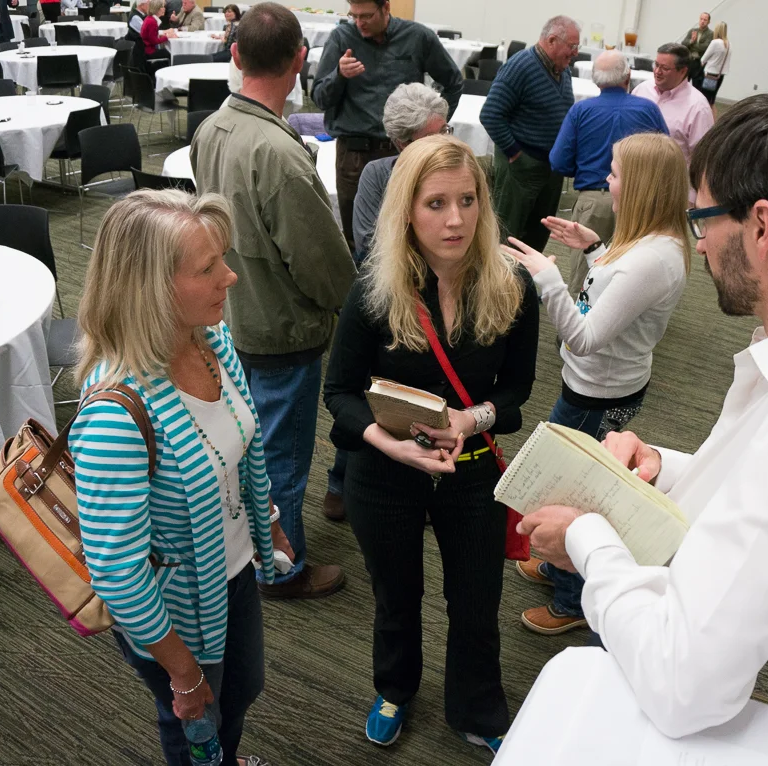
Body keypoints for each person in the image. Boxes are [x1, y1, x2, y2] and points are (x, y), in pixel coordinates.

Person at [521, 93, 768, 738]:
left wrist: (588, 539)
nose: (698, 247)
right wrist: (667, 470)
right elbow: (761, 505)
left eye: (702, 219)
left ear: (762, 226)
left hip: (659, 681)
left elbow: (684, 687)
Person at [323, 135, 539, 756]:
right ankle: (395, 688)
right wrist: (389, 446)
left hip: (470, 471)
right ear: (406, 211)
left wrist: (475, 420)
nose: (456, 220)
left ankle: (476, 706)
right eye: (436, 203)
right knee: (397, 598)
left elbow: (518, 388)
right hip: (384, 472)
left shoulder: (512, 286)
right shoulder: (374, 287)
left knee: (477, 602)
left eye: (468, 200)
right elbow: (338, 391)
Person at [69, 189, 294, 766]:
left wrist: (266, 521)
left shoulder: (210, 340)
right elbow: (117, 574)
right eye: (208, 267)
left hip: (232, 570)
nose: (231, 276)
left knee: (241, 691)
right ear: (152, 289)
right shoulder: (115, 416)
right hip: (176, 610)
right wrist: (183, 671)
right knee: (195, 720)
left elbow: (241, 448)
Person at [192, 2, 356, 600]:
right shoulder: (282, 156)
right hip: (283, 329)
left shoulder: (212, 128)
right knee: (280, 458)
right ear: (301, 58)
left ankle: (246, 544)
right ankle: (281, 570)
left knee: (241, 444)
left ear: (235, 56)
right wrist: (354, 305)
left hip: (231, 317)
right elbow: (322, 267)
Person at [505, 131, 691, 636]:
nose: (605, 180)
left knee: (574, 491)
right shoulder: (646, 246)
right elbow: (610, 299)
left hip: (598, 392)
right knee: (570, 479)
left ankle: (573, 602)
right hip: (600, 383)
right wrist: (595, 249)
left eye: (614, 174)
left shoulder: (650, 259)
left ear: (641, 188)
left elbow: (585, 335)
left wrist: (546, 277)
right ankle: (557, 569)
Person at [323, 81, 453, 522]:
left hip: (447, 300)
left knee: (437, 394)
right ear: (401, 143)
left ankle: (429, 477)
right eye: (433, 137)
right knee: (371, 396)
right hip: (393, 306)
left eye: (447, 130)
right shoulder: (379, 175)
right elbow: (366, 246)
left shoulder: (456, 169)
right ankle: (342, 478)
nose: (444, 143)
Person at [311, 0, 463, 252]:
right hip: (355, 155)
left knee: (412, 229)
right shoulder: (342, 38)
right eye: (354, 16)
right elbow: (319, 98)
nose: (360, 23)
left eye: (367, 16)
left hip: (406, 151)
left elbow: (453, 82)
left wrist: (435, 129)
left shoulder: (417, 37)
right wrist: (338, 75)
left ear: (386, 8)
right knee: (358, 239)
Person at [549, 49, 669, 296]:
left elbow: (558, 162)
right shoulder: (649, 110)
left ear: (596, 81)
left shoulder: (581, 111)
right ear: (628, 77)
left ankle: (575, 330)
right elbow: (665, 158)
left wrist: (583, 170)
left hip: (593, 201)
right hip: (639, 201)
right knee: (634, 272)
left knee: (585, 276)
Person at [480, 15, 579, 252]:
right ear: (552, 40)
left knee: (538, 234)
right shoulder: (520, 66)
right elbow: (491, 114)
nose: (575, 52)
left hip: (550, 167)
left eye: (577, 47)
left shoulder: (562, 69)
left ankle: (525, 285)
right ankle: (497, 288)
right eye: (572, 46)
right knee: (507, 236)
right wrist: (515, 154)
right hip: (522, 165)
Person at [632, 43, 713, 168]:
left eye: (665, 68)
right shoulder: (642, 90)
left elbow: (703, 158)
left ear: (683, 71)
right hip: (636, 171)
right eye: (656, 65)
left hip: (671, 181)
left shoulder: (698, 107)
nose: (657, 72)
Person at [700, 20, 731, 117]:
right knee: (712, 101)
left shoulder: (715, 42)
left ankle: (704, 121)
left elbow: (703, 59)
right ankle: (713, 122)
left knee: (704, 100)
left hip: (710, 75)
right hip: (720, 75)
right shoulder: (729, 44)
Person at [140, 0, 176, 73]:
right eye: (162, 7)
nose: (164, 9)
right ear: (157, 9)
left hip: (144, 50)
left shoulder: (149, 18)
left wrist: (164, 34)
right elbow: (154, 41)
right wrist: (167, 37)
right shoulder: (152, 22)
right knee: (169, 53)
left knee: (166, 51)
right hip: (149, 52)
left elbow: (152, 36)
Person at [680, 10, 712, 91]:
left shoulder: (710, 33)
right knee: (683, 85)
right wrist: (691, 41)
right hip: (689, 61)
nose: (702, 21)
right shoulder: (692, 31)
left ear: (708, 22)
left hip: (699, 63)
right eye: (701, 19)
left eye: (705, 20)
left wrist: (692, 44)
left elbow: (705, 47)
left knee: (696, 87)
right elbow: (683, 43)